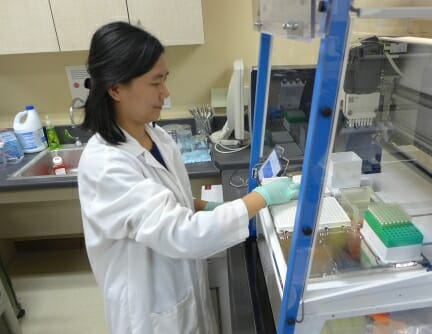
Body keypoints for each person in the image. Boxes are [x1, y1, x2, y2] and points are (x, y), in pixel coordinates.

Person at [77, 21, 299, 334]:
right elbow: (182, 233)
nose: (165, 93)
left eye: (164, 80)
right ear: (115, 88)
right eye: (155, 83)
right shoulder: (105, 167)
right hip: (150, 314)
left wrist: (205, 207)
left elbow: (171, 200)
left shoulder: (156, 136)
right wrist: (261, 197)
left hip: (181, 291)